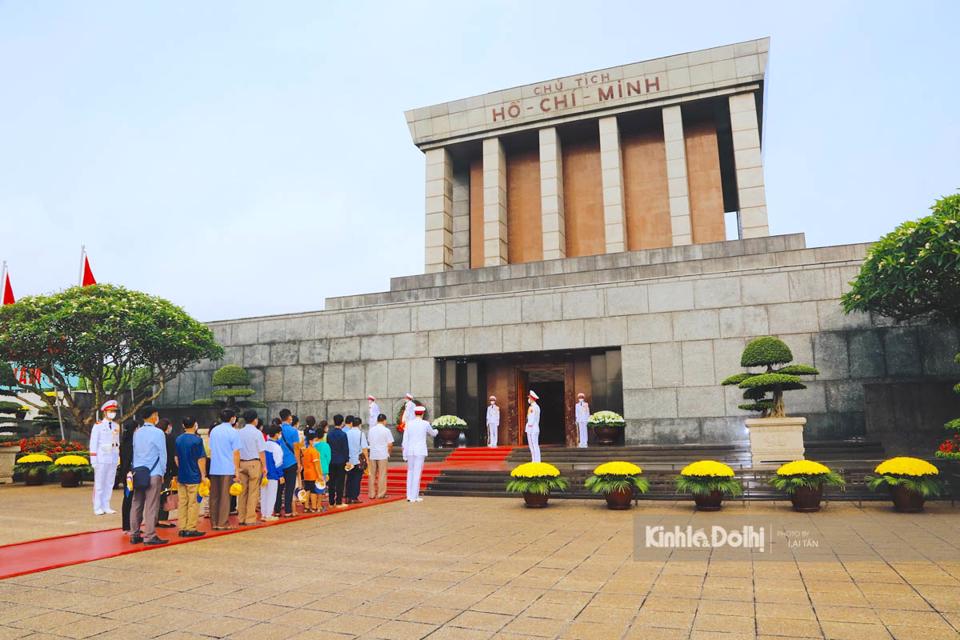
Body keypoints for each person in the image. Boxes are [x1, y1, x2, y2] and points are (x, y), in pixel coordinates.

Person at [129, 406, 167, 545]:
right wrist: (163, 472)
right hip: (154, 471)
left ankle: (134, 533)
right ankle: (150, 535)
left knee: (136, 503)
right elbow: (162, 454)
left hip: (138, 471)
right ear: (153, 416)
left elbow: (134, 451)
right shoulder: (158, 433)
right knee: (151, 505)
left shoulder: (137, 432)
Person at [208, 409, 241, 530]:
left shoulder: (214, 431)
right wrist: (237, 470)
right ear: (232, 418)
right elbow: (236, 453)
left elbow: (211, 449)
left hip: (214, 467)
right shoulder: (233, 432)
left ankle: (214, 522)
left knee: (214, 496)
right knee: (225, 496)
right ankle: (223, 522)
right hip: (227, 467)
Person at [174, 417, 206, 537]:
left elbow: (176, 458)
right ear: (195, 425)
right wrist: (203, 475)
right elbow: (201, 459)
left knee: (182, 502)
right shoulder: (197, 440)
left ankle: (182, 527)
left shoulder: (179, 439)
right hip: (194, 475)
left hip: (182, 475)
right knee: (193, 503)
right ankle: (191, 528)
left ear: (183, 425)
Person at [89, 399, 120, 515]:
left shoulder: (116, 425)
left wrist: (118, 458)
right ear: (105, 412)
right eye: (111, 411)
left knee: (109, 483)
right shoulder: (98, 426)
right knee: (99, 483)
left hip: (112, 458)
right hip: (101, 458)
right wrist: (93, 460)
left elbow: (117, 443)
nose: (113, 413)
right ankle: (97, 507)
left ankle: (106, 505)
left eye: (114, 411)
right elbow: (93, 443)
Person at [236, 410, 266, 526]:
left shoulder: (239, 432)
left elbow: (236, 450)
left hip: (242, 463)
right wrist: (264, 466)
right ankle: (250, 518)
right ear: (255, 420)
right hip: (254, 463)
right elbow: (261, 451)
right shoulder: (257, 433)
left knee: (242, 492)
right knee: (253, 492)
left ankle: (241, 517)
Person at [402, 405, 437, 503]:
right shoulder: (425, 423)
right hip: (420, 450)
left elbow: (405, 439)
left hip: (410, 450)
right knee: (417, 473)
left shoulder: (409, 423)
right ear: (422, 413)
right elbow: (433, 433)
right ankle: (414, 496)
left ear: (414, 413)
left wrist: (404, 453)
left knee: (410, 472)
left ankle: (409, 496)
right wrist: (437, 431)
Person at [274, 408, 302, 517]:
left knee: (279, 488)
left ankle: (276, 510)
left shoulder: (277, 429)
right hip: (291, 461)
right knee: (289, 487)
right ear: (289, 417)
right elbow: (296, 448)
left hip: (279, 462)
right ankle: (288, 510)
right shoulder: (293, 431)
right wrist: (298, 462)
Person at [156, 418, 179, 529]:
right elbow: (172, 456)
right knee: (165, 494)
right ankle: (162, 519)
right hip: (167, 470)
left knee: (156, 495)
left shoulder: (155, 437)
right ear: (168, 426)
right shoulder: (169, 438)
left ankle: (156, 518)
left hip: (155, 470)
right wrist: (175, 471)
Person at [260, 423, 284, 522]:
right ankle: (269, 514)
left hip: (264, 474)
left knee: (264, 495)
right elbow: (278, 463)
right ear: (277, 434)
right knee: (272, 494)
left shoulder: (264, 444)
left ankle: (263, 514)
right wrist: (281, 475)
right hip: (273, 474)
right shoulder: (277, 447)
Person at [367, 413, 393, 499]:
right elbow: (390, 444)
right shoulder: (386, 430)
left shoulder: (371, 430)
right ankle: (381, 494)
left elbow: (369, 441)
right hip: (382, 454)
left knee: (372, 475)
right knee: (382, 474)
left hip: (373, 454)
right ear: (384, 420)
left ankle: (371, 494)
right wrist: (389, 452)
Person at [118, 419, 138, 534]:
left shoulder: (123, 442)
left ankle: (126, 526)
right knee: (131, 499)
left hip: (125, 473)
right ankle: (130, 526)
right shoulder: (132, 443)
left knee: (127, 498)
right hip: (132, 474)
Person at [344, 416, 369, 504]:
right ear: (359, 424)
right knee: (357, 479)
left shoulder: (347, 433)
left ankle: (347, 496)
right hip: (358, 460)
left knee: (349, 479)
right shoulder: (361, 434)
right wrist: (367, 460)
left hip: (349, 460)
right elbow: (364, 449)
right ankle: (354, 497)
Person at [326, 414, 349, 508]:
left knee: (331, 481)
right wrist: (347, 459)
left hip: (331, 460)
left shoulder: (329, 434)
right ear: (342, 422)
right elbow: (345, 448)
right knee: (340, 481)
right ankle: (339, 501)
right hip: (341, 460)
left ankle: (331, 501)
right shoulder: (343, 434)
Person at [301, 428, 322, 512]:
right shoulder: (314, 451)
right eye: (314, 440)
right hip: (313, 474)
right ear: (310, 441)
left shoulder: (305, 451)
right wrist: (320, 475)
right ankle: (314, 506)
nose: (315, 441)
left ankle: (306, 507)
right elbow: (316, 465)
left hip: (306, 473)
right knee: (313, 491)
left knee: (307, 490)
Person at [314, 421, 331, 511]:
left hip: (314, 468)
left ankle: (313, 505)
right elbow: (328, 458)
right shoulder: (326, 445)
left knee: (313, 488)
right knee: (320, 487)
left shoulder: (313, 445)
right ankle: (319, 505)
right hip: (323, 468)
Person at [526, 390, 542, 463]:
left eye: (529, 398)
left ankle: (536, 460)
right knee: (532, 445)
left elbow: (531, 419)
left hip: (532, 428)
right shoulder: (534, 407)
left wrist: (529, 426)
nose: (528, 399)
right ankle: (534, 460)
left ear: (532, 398)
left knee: (534, 445)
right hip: (532, 428)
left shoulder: (534, 407)